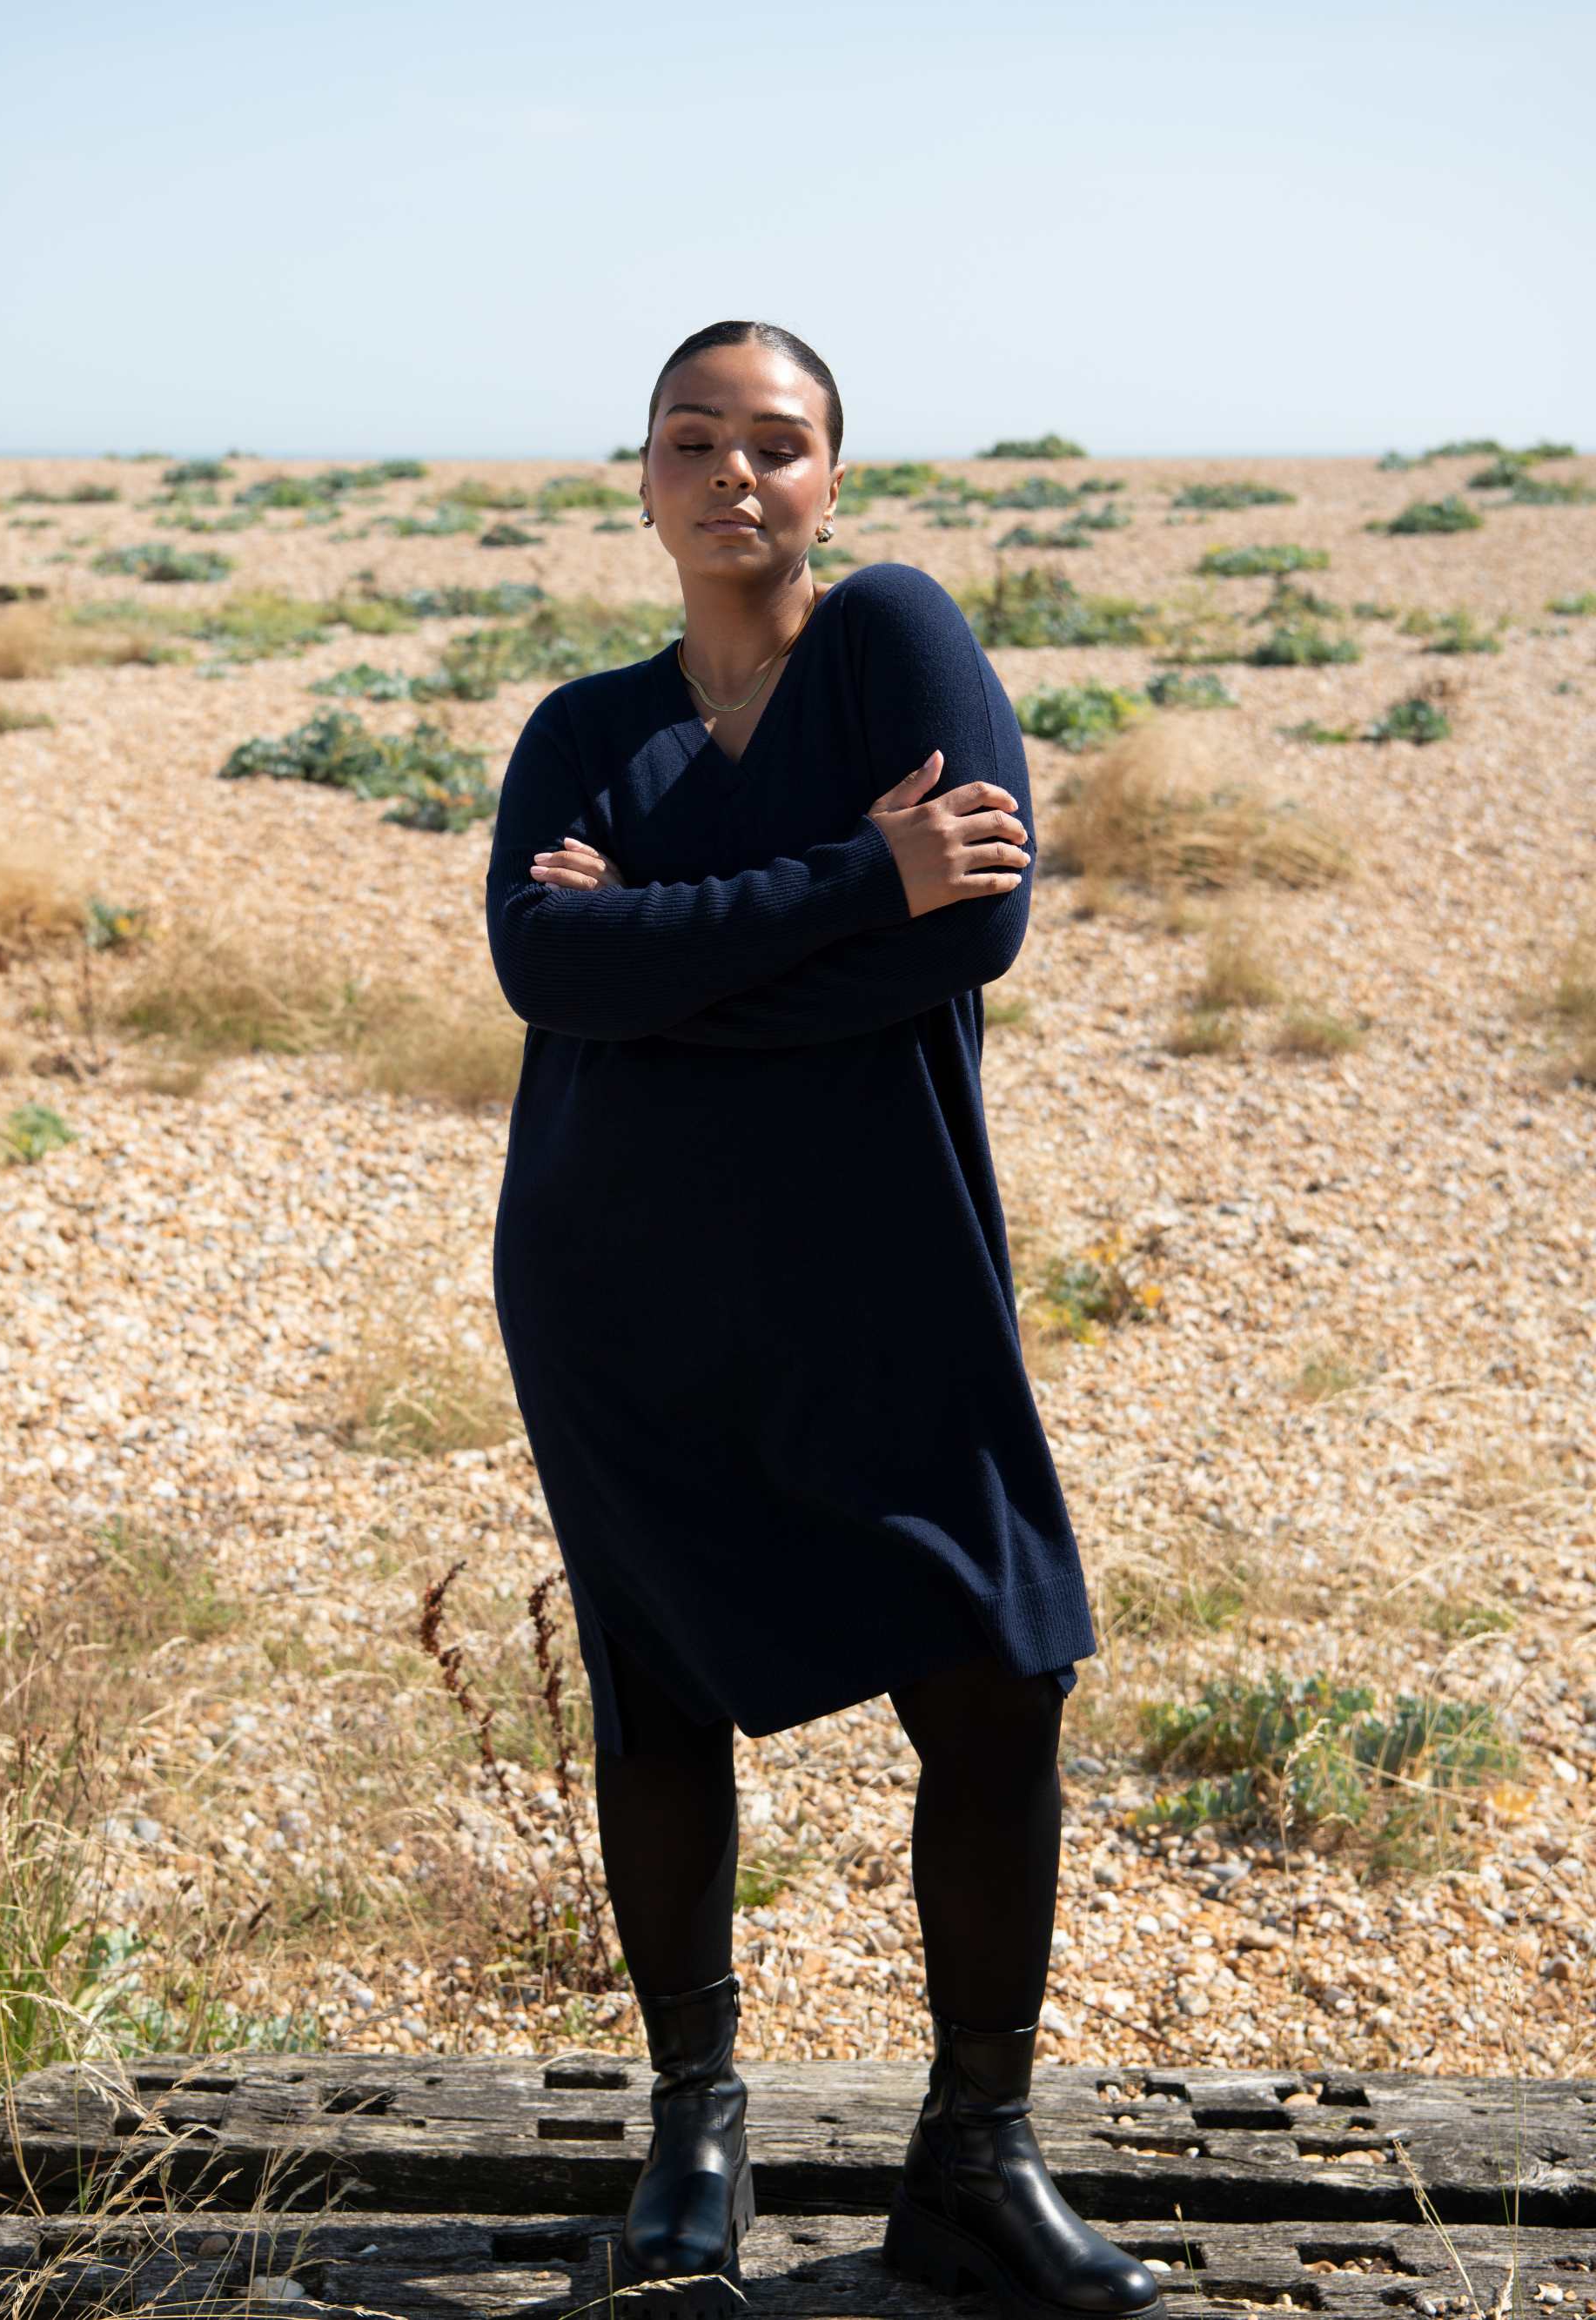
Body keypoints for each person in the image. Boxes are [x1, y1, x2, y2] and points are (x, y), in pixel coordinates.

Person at [484, 319, 1160, 2320]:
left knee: (993, 1662)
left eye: (773, 442)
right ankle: (696, 2128)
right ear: (642, 477)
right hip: (619, 1283)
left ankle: (976, 2158)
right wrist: (855, 877)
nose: (732, 475)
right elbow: (549, 968)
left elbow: (985, 927)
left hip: (883, 1261)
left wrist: (673, 955)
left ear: (832, 477)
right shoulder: (579, 729)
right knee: (663, 1686)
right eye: (691, 441)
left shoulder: (896, 638)